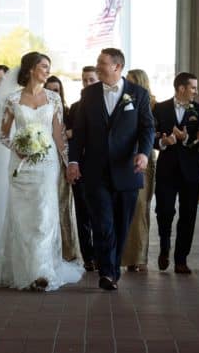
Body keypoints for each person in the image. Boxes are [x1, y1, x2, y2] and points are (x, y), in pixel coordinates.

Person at [0, 52, 83, 291]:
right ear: (30, 69)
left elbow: (58, 136)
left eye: (49, 67)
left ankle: (42, 271)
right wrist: (20, 146)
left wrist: (69, 164)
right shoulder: (13, 99)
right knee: (22, 217)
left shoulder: (54, 99)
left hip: (47, 164)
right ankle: (24, 269)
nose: (47, 71)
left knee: (44, 215)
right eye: (43, 66)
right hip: (21, 165)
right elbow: (4, 135)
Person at [67, 48, 155, 291]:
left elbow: (147, 128)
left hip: (128, 170)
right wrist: (73, 161)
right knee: (102, 223)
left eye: (101, 63)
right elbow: (80, 131)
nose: (97, 67)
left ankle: (113, 270)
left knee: (121, 225)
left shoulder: (138, 94)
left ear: (116, 66)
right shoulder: (89, 94)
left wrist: (143, 154)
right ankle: (107, 272)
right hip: (95, 171)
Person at [153, 72, 199, 274]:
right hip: (166, 169)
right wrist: (163, 142)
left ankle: (181, 259)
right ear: (181, 88)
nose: (196, 91)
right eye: (193, 87)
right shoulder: (160, 108)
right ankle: (165, 246)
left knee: (189, 214)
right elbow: (150, 136)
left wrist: (188, 139)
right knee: (165, 211)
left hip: (191, 171)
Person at [121, 68, 157, 272]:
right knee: (129, 206)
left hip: (145, 157)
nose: (128, 84)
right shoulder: (126, 100)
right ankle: (128, 256)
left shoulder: (153, 104)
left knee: (142, 206)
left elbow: (153, 129)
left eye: (132, 81)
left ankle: (140, 256)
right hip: (127, 157)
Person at [65, 65, 100, 271]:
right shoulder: (75, 107)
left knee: (101, 212)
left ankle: (102, 252)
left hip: (101, 168)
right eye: (84, 80)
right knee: (82, 211)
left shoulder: (107, 104)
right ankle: (88, 256)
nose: (87, 83)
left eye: (91, 80)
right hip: (80, 166)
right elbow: (71, 138)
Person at [45, 75, 79, 262]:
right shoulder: (38, 108)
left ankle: (67, 250)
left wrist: (64, 134)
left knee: (63, 206)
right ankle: (47, 250)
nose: (52, 93)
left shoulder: (67, 111)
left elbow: (77, 133)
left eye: (56, 90)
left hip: (61, 162)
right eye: (48, 89)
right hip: (43, 163)